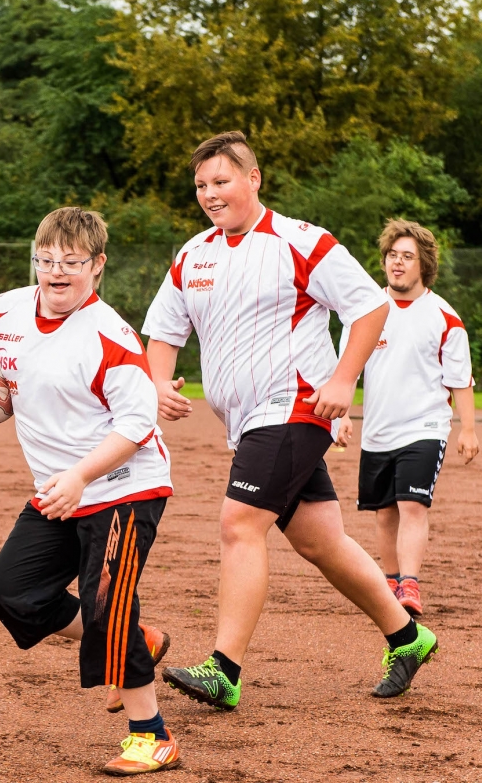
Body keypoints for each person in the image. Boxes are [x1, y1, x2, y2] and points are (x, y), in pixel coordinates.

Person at [143, 131, 438, 705]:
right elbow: (163, 333)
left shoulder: (301, 241)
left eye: (221, 181)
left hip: (295, 405)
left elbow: (370, 307)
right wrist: (157, 383)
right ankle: (408, 636)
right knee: (321, 541)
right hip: (247, 421)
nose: (209, 193)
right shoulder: (192, 255)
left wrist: (342, 380)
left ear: (253, 180)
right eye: (201, 185)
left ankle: (224, 670)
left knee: (239, 522)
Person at [0, 207, 181, 776]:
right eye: (46, 260)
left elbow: (137, 426)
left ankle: (151, 735)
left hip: (123, 486)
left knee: (107, 601)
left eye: (72, 262)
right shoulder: (3, 312)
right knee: (13, 591)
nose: (57, 272)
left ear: (98, 266)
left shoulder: (111, 335)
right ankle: (138, 639)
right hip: (59, 488)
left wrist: (83, 476)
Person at [335, 220, 479, 618]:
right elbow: (347, 370)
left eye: (407, 257)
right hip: (378, 431)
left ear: (424, 265)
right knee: (385, 512)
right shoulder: (364, 313)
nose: (397, 263)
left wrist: (467, 429)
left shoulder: (444, 317)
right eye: (392, 256)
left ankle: (410, 584)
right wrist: (342, 415)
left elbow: (460, 379)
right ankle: (391, 581)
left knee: (412, 505)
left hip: (425, 427)